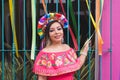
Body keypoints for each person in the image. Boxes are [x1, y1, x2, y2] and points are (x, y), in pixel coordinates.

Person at [33, 13, 90, 80]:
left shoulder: (67, 49)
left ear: (62, 31)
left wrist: (84, 51)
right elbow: (42, 78)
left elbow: (77, 64)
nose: (56, 32)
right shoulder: (44, 54)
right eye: (52, 30)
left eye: (59, 29)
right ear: (48, 34)